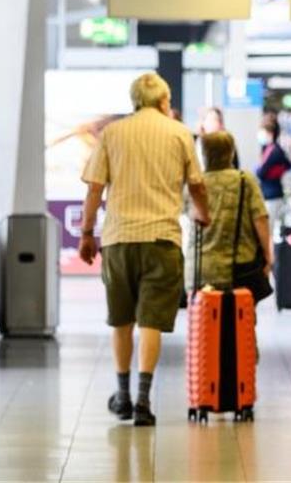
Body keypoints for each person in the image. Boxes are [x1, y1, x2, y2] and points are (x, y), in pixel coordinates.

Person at [78, 72, 209, 427]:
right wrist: (204, 214)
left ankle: (121, 394)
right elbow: (197, 185)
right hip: (162, 239)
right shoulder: (180, 133)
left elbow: (94, 189)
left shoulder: (113, 133)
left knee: (121, 319)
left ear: (134, 100)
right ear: (164, 101)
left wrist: (87, 233)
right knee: (150, 321)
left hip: (119, 239)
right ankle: (142, 401)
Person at [198, 131, 273, 298]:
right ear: (231, 152)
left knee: (207, 318)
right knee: (240, 316)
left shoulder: (198, 183)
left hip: (203, 268)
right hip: (240, 266)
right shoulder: (244, 180)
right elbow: (260, 219)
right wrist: (268, 255)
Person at [255, 113, 291, 227]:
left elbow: (260, 172)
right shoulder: (269, 149)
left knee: (269, 231)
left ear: (270, 133)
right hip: (271, 194)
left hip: (272, 196)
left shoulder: (274, 150)